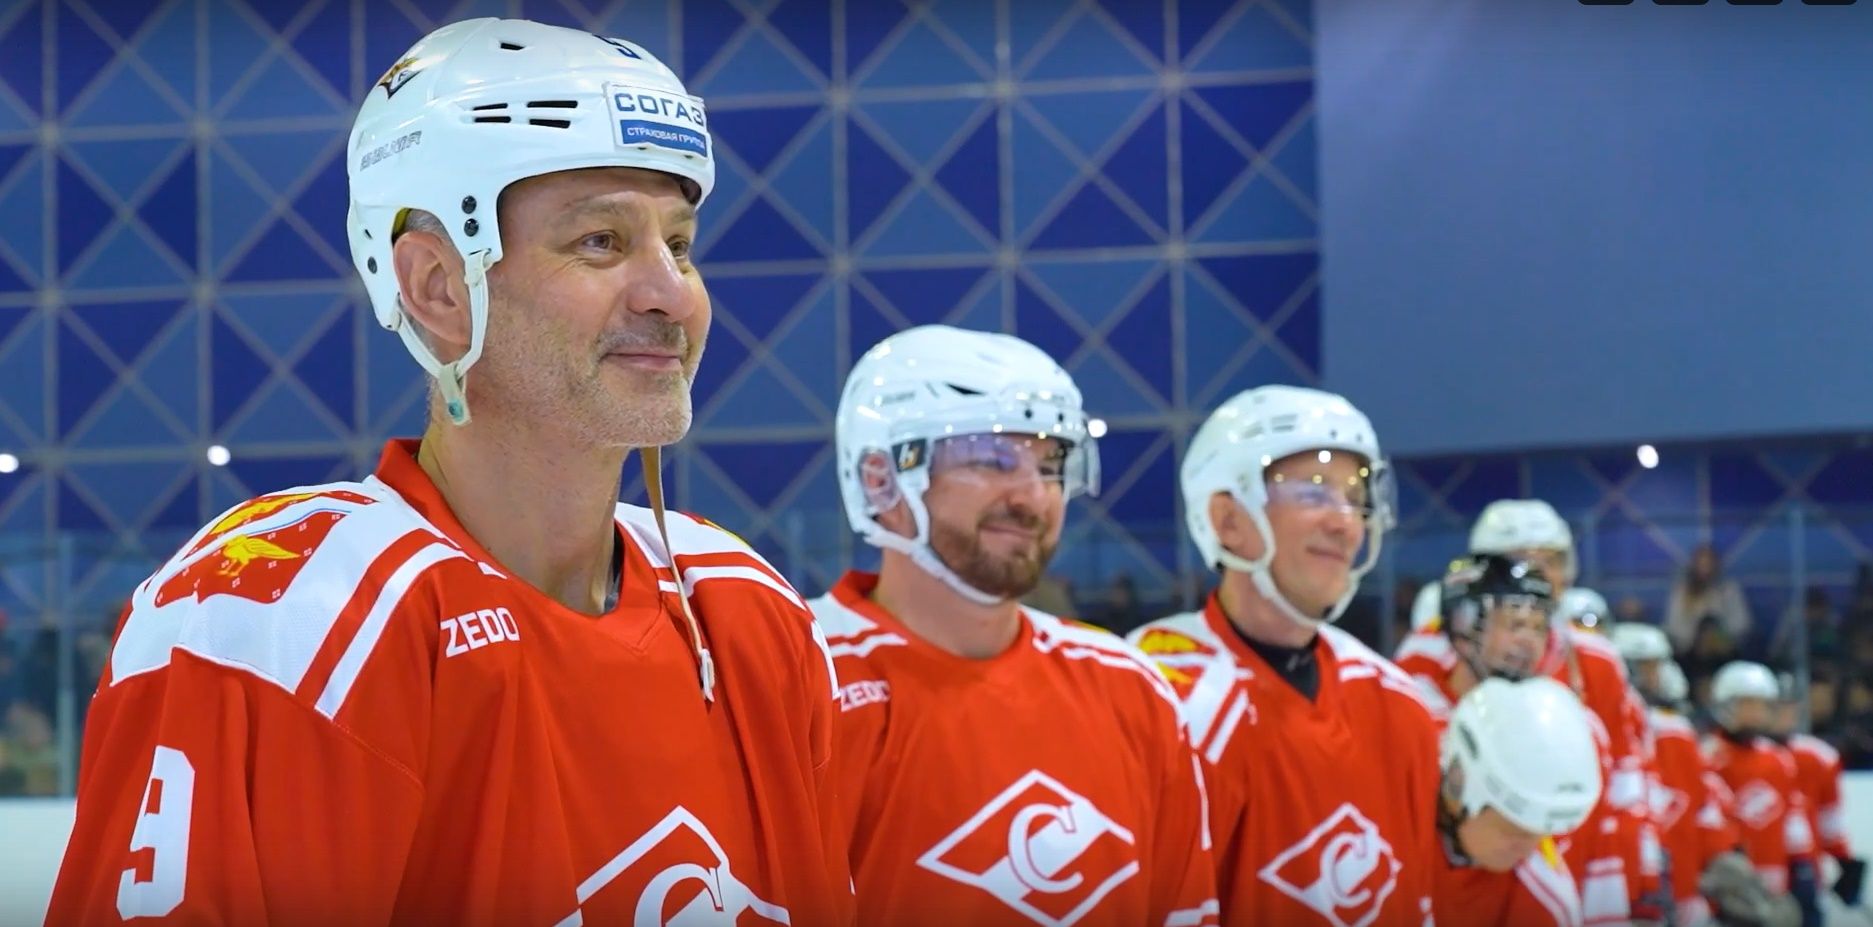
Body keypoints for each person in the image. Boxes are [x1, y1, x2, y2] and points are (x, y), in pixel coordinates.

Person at [48, 19, 852, 926]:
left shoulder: (751, 616)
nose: (672, 293)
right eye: (600, 240)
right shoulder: (283, 617)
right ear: (436, 286)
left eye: (681, 243)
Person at [811, 325, 1218, 927]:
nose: (1033, 496)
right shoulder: (801, 680)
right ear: (882, 479)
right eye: (992, 459)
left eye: (1050, 465)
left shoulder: (1130, 689)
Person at [1128, 385, 1446, 926]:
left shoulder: (1397, 705)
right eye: (1314, 490)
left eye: (1355, 495)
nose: (1346, 522)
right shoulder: (1157, 695)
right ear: (1228, 520)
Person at [1470, 499, 1663, 925]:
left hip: (1581, 863)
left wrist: (1642, 872)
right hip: (1479, 876)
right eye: (1520, 560)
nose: (1540, 573)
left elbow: (1627, 777)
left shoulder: (1598, 659)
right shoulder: (1441, 650)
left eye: (1552, 561)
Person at [1393, 554, 1593, 926]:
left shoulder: (1547, 723)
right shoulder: (1407, 710)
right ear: (1463, 623)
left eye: (1538, 627)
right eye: (1515, 623)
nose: (1529, 640)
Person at [1612, 622, 1764, 926]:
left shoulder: (1676, 733)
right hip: (1622, 881)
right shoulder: (1604, 727)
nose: (1652, 675)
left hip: (1680, 882)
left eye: (1655, 665)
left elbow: (1703, 805)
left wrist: (1720, 854)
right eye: (1643, 666)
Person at [1435, 676, 1605, 927]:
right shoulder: (1392, 818)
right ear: (1458, 783)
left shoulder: (1543, 905)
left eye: (1539, 832)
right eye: (1512, 829)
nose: (1525, 848)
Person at [1704, 662, 1817, 915]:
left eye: (1761, 705)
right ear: (1725, 705)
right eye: (1747, 704)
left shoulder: (1778, 758)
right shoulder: (1708, 758)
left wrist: (1802, 861)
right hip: (1728, 877)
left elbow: (1792, 813)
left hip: (1775, 874)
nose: (1756, 713)